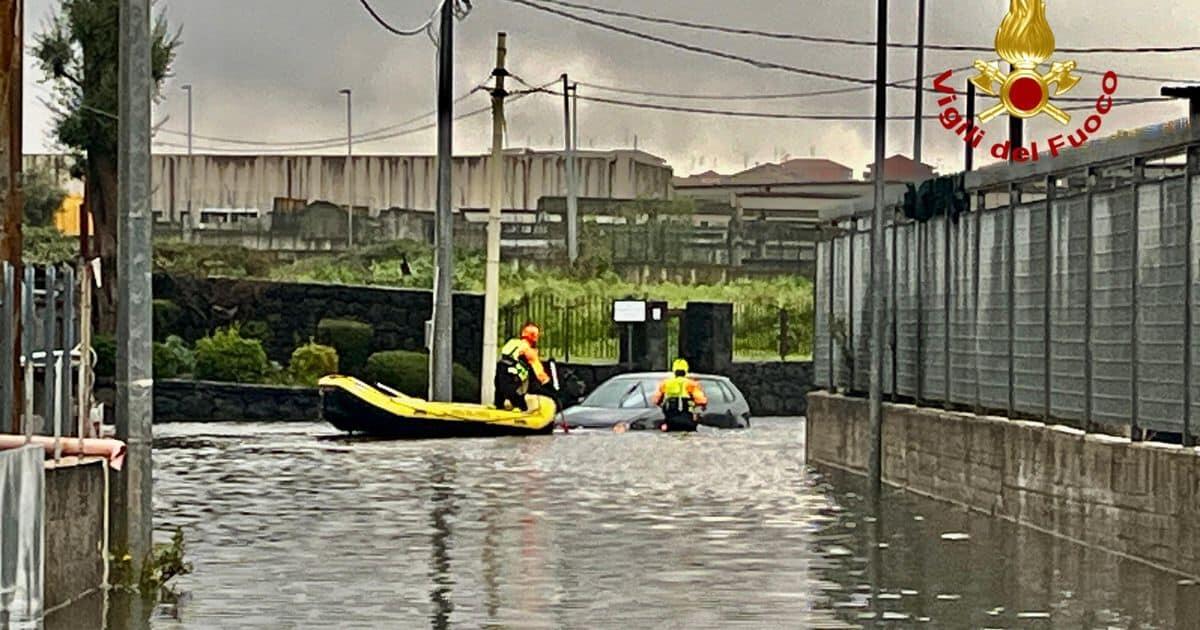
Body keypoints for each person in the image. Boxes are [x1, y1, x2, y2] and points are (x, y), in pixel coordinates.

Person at [495, 322, 550, 412]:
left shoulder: (512, 342)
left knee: (500, 390)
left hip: (501, 369)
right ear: (534, 337)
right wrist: (546, 381)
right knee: (517, 393)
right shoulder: (528, 349)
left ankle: (498, 404)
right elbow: (538, 369)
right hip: (513, 373)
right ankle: (520, 407)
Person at [651, 358, 708, 431]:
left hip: (670, 417)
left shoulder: (665, 383)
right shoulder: (692, 384)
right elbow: (701, 400)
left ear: (674, 371)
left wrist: (661, 404)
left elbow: (655, 400)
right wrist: (701, 406)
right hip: (687, 417)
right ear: (686, 370)